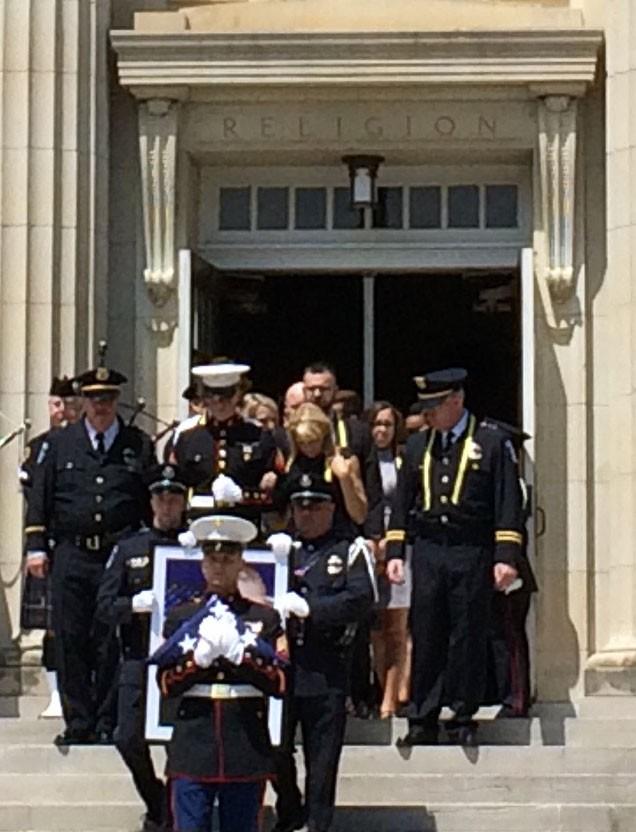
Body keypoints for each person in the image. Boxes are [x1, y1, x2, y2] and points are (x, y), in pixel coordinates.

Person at [24, 343, 156, 746]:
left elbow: (149, 498)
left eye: (108, 399)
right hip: (72, 553)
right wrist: (36, 547)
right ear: (82, 401)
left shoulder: (136, 444)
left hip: (117, 553)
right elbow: (41, 497)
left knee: (110, 639)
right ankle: (77, 720)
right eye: (94, 399)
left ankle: (105, 719)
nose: (101, 406)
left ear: (117, 401)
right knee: (71, 637)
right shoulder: (59, 444)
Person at [386, 368, 524, 747]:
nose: (428, 414)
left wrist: (506, 554)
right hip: (430, 548)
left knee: (467, 631)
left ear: (456, 401)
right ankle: (422, 714)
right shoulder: (418, 446)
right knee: (427, 629)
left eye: (435, 406)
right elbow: (402, 503)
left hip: (471, 547)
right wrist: (396, 549)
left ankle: (463, 714)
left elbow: (506, 503)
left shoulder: (491, 442)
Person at [157, 514, 287, 832]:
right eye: (212, 559)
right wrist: (197, 662)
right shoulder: (182, 617)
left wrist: (241, 656)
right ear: (202, 564)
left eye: (227, 559)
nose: (219, 567)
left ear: (240, 562)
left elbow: (280, 681)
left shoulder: (264, 618)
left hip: (244, 741)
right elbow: (165, 682)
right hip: (193, 741)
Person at [270, 473, 375, 832]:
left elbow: (361, 600)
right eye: (300, 506)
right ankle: (289, 810)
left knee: (323, 759)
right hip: (281, 669)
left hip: (326, 666)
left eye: (314, 506)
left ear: (331, 508)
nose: (306, 514)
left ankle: (317, 824)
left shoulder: (348, 550)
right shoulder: (280, 551)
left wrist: (313, 608)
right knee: (275, 748)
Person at [96, 463, 188, 832]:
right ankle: (156, 800)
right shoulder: (130, 546)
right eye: (161, 498)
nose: (167, 505)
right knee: (127, 737)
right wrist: (133, 604)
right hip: (139, 656)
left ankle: (176, 809)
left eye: (174, 498)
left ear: (183, 502)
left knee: (179, 744)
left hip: (182, 659)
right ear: (151, 502)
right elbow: (104, 605)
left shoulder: (194, 546)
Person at [20, 375, 82, 719]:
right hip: (52, 544)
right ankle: (56, 693)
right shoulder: (40, 447)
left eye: (70, 405)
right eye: (57, 405)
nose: (63, 413)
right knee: (51, 625)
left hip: (76, 542)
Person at [170, 360, 280, 524]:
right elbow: (175, 487)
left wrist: (241, 496)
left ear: (238, 394)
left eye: (226, 396)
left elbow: (276, 494)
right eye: (211, 396)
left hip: (244, 525)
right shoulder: (187, 438)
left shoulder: (259, 437)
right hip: (198, 525)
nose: (219, 403)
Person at [364, 401, 411, 719]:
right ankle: (381, 688)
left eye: (387, 424)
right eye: (376, 424)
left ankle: (394, 696)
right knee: (375, 629)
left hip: (399, 546)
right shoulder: (361, 461)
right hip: (369, 546)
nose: (382, 430)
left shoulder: (405, 458)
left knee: (397, 626)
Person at [271, 403, 367, 533]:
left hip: (337, 536)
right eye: (302, 443)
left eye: (313, 442)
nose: (308, 448)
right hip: (299, 536)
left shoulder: (345, 461)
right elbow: (279, 511)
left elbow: (359, 516)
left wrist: (345, 478)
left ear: (325, 436)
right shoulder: (290, 463)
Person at [301, 362, 371, 466]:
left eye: (323, 389)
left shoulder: (359, 433)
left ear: (335, 391)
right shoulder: (288, 434)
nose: (317, 394)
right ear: (304, 391)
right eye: (311, 389)